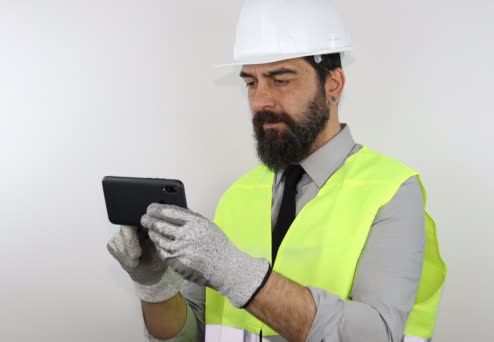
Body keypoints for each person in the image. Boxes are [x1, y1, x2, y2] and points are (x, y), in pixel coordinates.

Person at [106, 0, 447, 341]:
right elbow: (193, 333)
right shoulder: (239, 195)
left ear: (333, 84)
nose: (260, 102)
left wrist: (236, 273)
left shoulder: (392, 192)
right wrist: (154, 285)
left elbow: (379, 334)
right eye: (251, 83)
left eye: (280, 79)